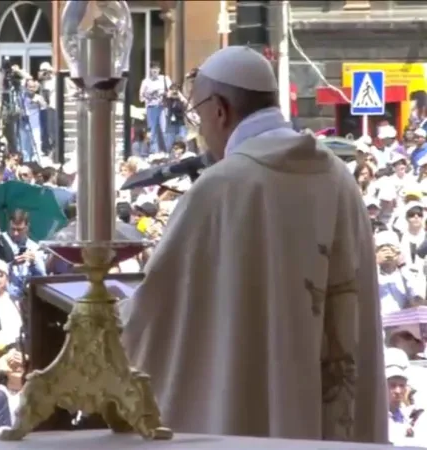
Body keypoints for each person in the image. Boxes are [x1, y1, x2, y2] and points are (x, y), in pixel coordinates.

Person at [121, 46, 387, 442]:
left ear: (220, 110)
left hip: (253, 418)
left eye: (198, 116)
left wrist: (106, 313)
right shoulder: (340, 179)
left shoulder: (220, 188)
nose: (201, 130)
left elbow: (157, 315)